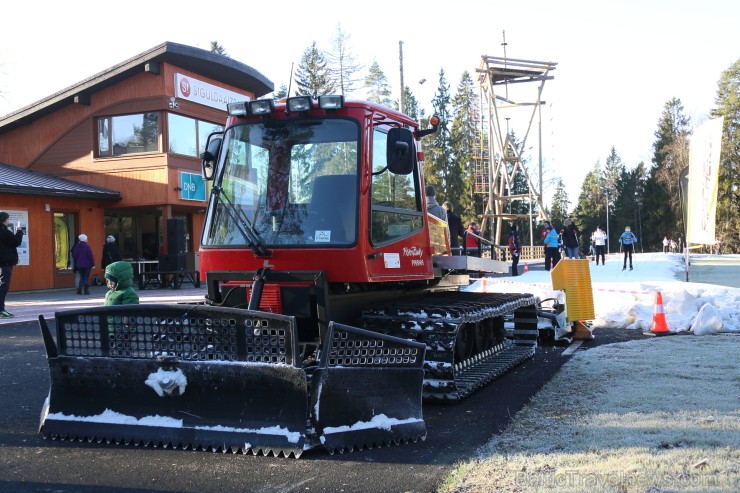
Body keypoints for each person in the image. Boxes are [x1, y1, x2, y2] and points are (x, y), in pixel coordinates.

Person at [0, 211, 24, 318]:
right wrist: (19, 232)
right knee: (3, 286)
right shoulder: (4, 231)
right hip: (5, 263)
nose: (8, 221)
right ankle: (0, 310)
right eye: (8, 219)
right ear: (4, 220)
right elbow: (16, 241)